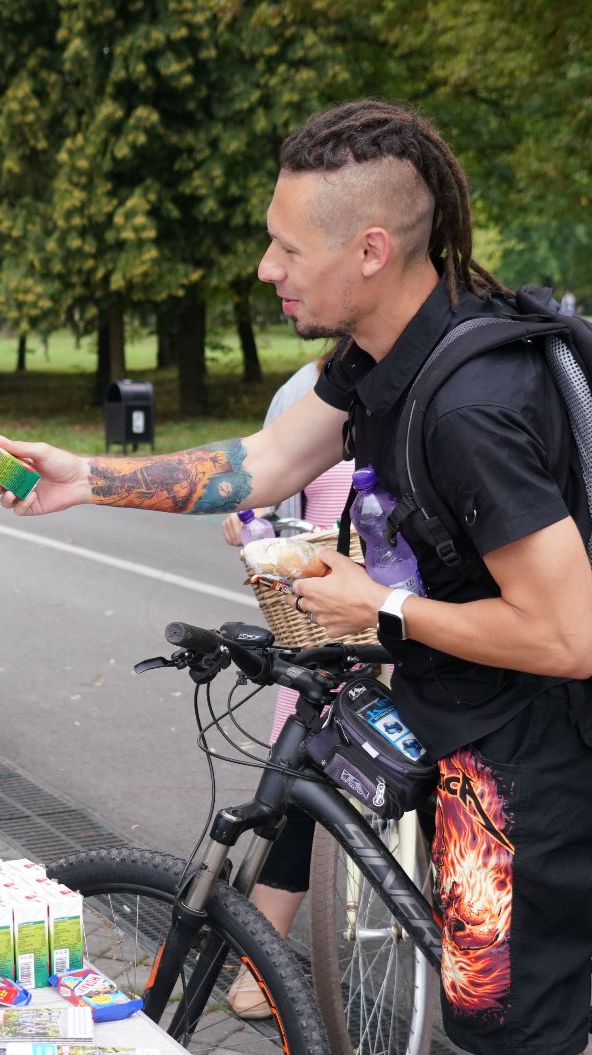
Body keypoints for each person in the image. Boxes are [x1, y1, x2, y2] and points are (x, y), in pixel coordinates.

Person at [0, 101, 592, 1055]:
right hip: (465, 724)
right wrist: (83, 474)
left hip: (530, 751)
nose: (268, 268)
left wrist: (380, 604)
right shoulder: (379, 365)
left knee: (519, 1023)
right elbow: (259, 464)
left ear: (373, 248)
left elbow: (568, 637)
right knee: (491, 1006)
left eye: (286, 245)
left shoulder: (469, 404)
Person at [217, 358, 352, 1019]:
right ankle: (260, 960)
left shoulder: (447, 374)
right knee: (294, 791)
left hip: (423, 624)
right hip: (317, 620)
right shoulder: (306, 390)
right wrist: (252, 528)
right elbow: (250, 506)